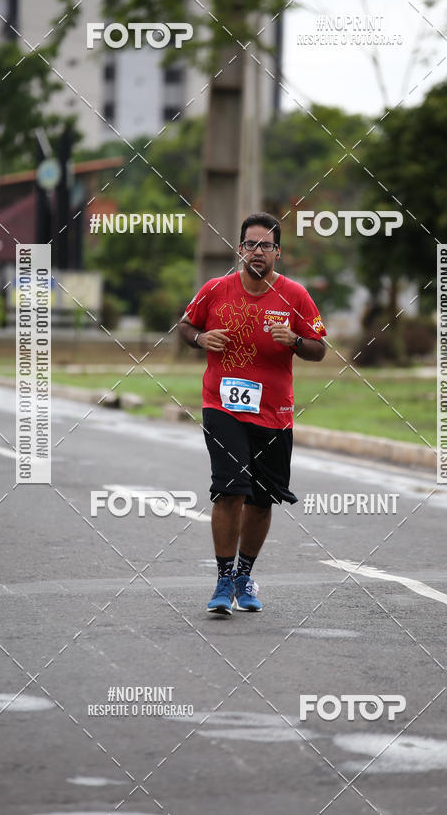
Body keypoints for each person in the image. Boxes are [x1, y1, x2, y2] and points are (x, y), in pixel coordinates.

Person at [178, 212, 327, 615]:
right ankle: (223, 579)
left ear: (278, 252)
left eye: (265, 245)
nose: (256, 252)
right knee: (230, 489)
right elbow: (186, 326)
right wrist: (200, 338)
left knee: (262, 500)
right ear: (239, 248)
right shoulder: (215, 290)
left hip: (274, 413)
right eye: (249, 244)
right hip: (221, 405)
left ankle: (244, 575)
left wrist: (295, 340)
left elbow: (319, 348)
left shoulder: (295, 296)